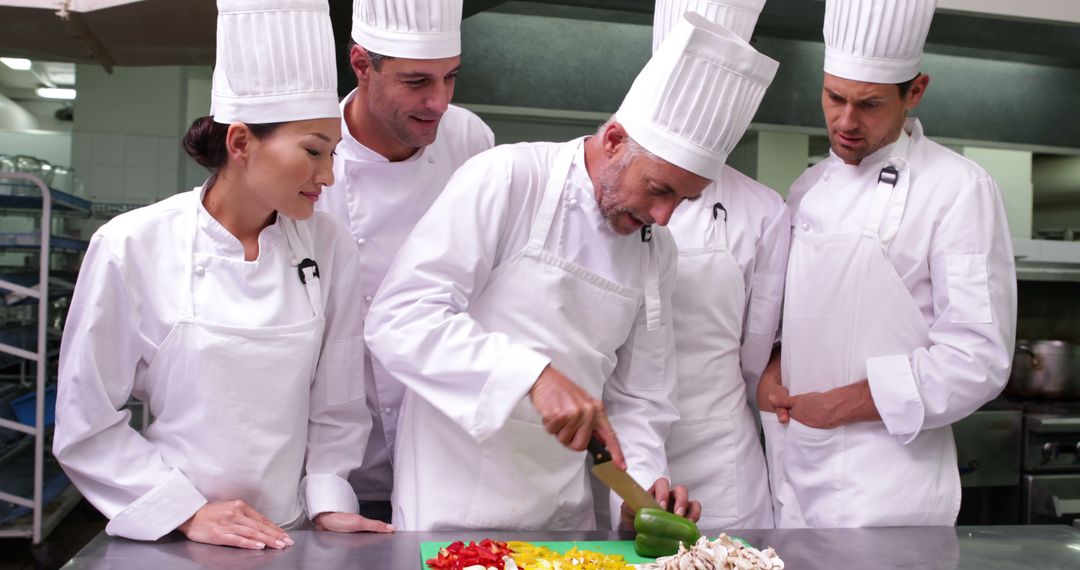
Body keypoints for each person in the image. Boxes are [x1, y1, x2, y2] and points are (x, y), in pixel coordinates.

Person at [365, 13, 777, 531]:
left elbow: (642, 398)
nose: (665, 217)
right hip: (453, 500)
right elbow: (399, 319)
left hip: (562, 514)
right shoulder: (510, 178)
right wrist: (531, 376)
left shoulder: (656, 252)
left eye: (684, 199)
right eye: (659, 189)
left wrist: (643, 493)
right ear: (614, 141)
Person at [53, 0, 390, 549]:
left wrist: (330, 502)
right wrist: (184, 510)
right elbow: (85, 420)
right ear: (239, 143)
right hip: (178, 535)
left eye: (332, 154)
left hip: (290, 535)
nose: (328, 175)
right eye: (312, 151)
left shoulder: (330, 247)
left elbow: (337, 403)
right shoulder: (132, 245)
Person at [757, 0, 1017, 528]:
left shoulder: (958, 190)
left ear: (915, 91)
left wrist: (842, 404)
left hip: (891, 490)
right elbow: (805, 316)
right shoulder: (806, 191)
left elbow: (978, 358)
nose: (845, 121)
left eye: (869, 104)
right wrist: (776, 365)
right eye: (834, 97)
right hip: (796, 475)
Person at [315, 0, 493, 524]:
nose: (438, 102)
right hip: (339, 465)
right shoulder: (311, 157)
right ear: (362, 65)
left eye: (451, 77)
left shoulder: (470, 139)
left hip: (446, 458)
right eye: (417, 82)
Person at [652, 0, 787, 530]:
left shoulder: (764, 210)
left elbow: (756, 353)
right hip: (622, 457)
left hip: (722, 464)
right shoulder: (605, 190)